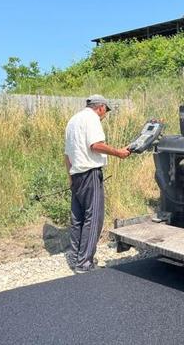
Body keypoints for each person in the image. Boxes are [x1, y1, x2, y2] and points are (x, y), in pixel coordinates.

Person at [64, 94, 131, 274]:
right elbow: (95, 145)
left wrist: (71, 178)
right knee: (93, 217)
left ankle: (75, 256)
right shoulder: (92, 119)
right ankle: (85, 263)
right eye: (105, 111)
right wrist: (118, 152)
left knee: (78, 218)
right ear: (100, 107)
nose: (104, 115)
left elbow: (67, 155)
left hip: (76, 174)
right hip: (90, 173)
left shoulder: (73, 121)